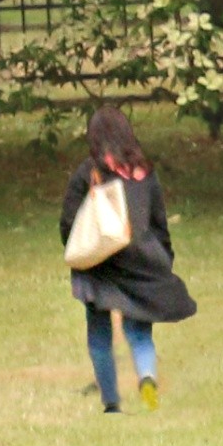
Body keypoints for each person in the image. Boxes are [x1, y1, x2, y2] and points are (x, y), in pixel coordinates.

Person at [61, 103, 195, 411]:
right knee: (139, 333)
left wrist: (77, 254)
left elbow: (69, 220)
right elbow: (158, 221)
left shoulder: (89, 173)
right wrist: (163, 259)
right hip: (141, 262)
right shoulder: (143, 172)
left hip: (99, 264)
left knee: (99, 336)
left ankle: (111, 404)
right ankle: (147, 378)